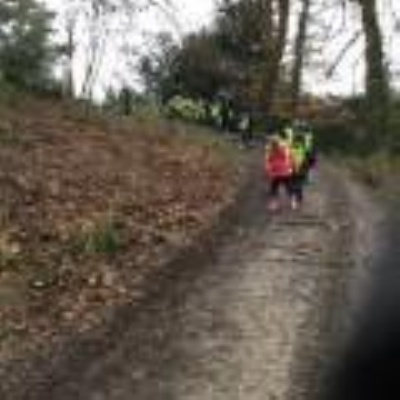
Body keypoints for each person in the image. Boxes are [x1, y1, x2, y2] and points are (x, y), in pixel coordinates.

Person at [264, 135, 296, 211]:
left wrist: (292, 168)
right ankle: (275, 203)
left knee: (287, 188)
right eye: (273, 143)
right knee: (275, 188)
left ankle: (292, 201)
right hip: (277, 173)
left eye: (274, 143)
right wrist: (268, 170)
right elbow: (268, 161)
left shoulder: (284, 149)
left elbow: (291, 158)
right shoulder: (270, 150)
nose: (274, 145)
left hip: (284, 172)